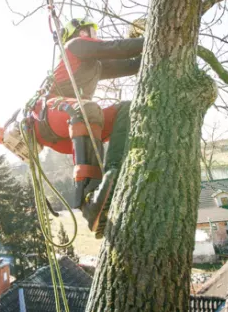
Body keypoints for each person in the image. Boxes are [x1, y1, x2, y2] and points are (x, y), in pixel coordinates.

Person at [9, 18, 144, 235]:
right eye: (88, 31)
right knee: (89, 108)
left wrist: (153, 51)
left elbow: (131, 64)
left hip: (76, 127)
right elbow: (115, 48)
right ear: (76, 34)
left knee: (126, 109)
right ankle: (87, 199)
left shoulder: (96, 65)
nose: (92, 35)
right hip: (51, 118)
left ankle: (112, 175)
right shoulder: (74, 47)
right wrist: (149, 39)